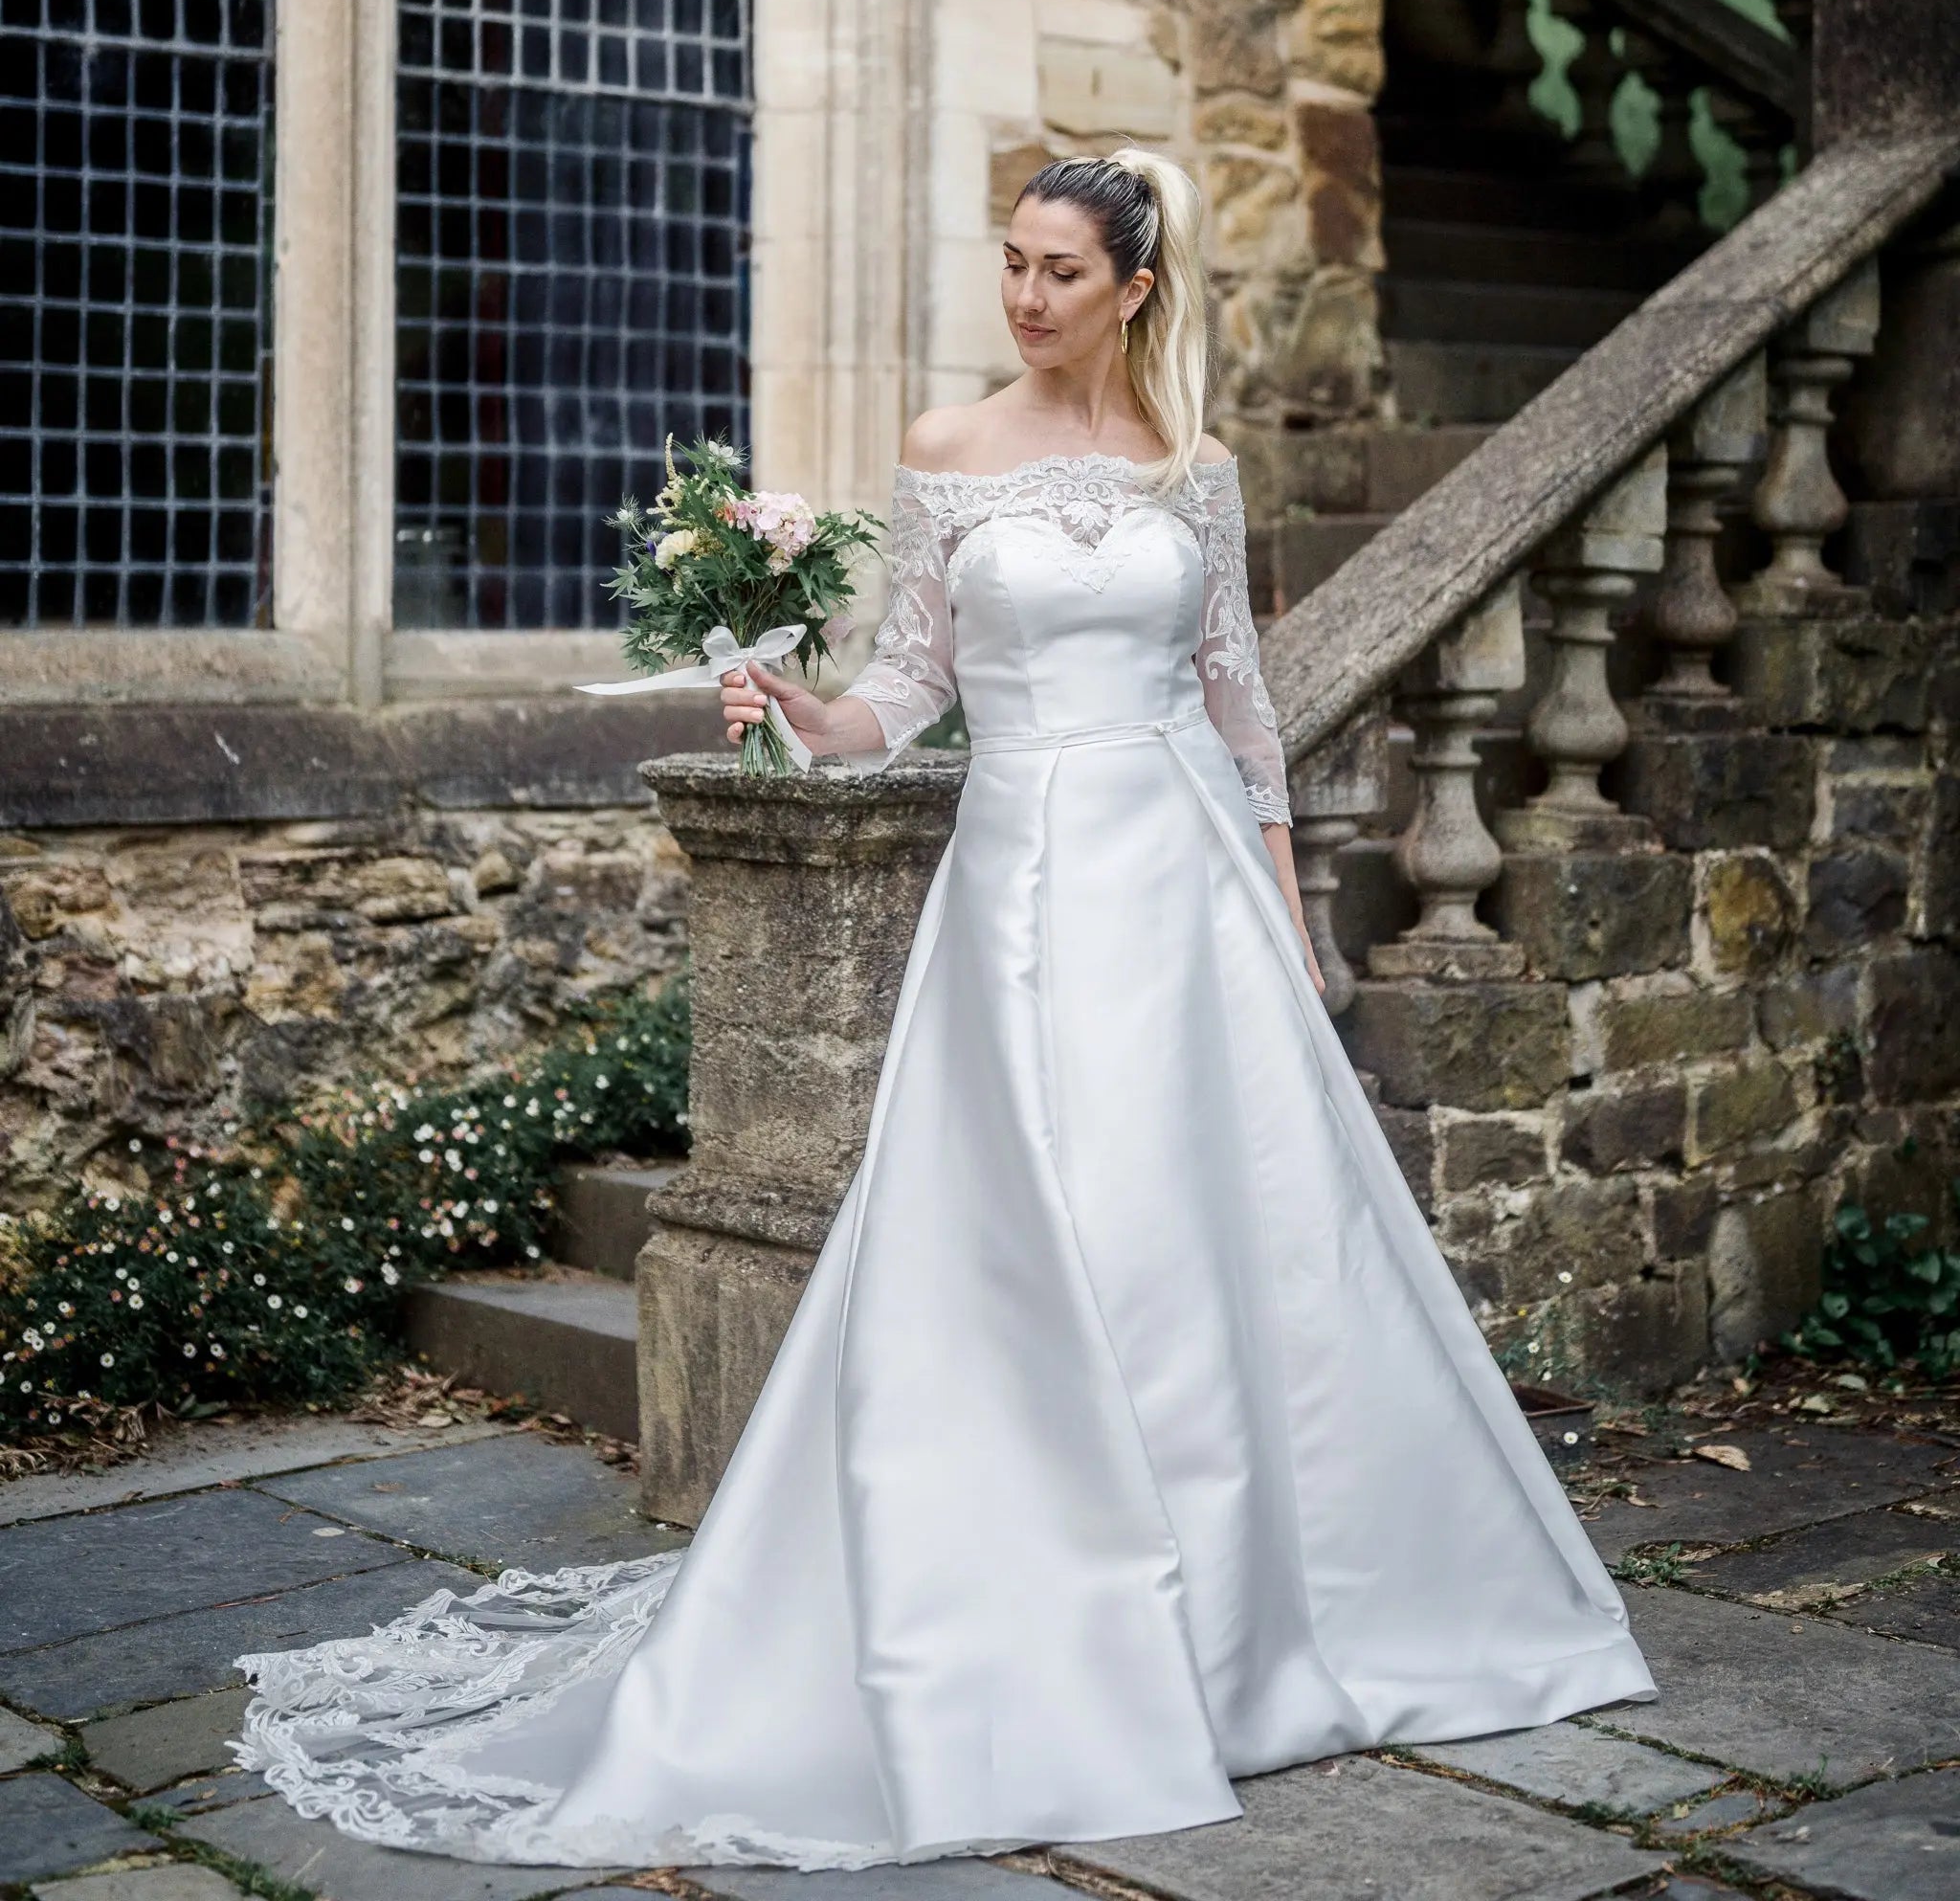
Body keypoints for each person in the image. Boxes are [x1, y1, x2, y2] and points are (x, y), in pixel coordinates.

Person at [233, 147, 1655, 1872]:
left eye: (1061, 270)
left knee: (1214, 1239)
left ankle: (1250, 1629)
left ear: (1136, 287)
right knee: (1026, 1233)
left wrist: (1283, 916)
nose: (1026, 294)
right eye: (1013, 263)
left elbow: (1242, 707)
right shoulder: (944, 454)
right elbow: (907, 689)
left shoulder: (1196, 472)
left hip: (1183, 883)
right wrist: (796, 706)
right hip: (1022, 892)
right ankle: (1048, 1620)